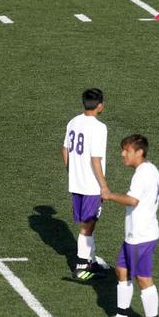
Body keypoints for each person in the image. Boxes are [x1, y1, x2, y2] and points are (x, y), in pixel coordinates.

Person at [98, 135, 159, 317]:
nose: (122, 154)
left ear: (139, 152)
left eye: (127, 150)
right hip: (135, 234)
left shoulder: (142, 174)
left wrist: (109, 195)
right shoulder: (149, 169)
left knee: (143, 278)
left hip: (141, 235)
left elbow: (132, 200)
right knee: (121, 269)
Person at [62, 88, 109, 281]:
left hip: (76, 182)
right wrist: (104, 186)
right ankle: (82, 266)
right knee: (87, 226)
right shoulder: (99, 127)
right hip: (91, 185)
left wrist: (71, 172)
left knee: (87, 224)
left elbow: (64, 149)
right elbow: (96, 159)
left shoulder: (73, 121)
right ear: (100, 106)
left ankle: (90, 261)